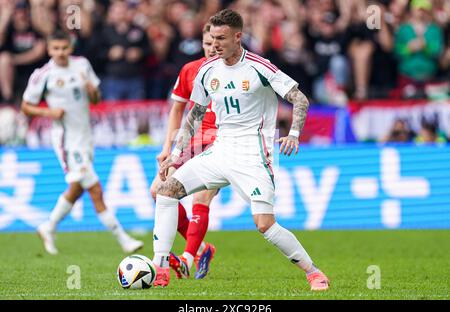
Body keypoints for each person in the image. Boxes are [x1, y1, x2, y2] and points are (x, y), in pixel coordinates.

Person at [151, 9, 330, 291]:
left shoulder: (261, 67)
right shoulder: (208, 71)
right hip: (220, 149)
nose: (215, 45)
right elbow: (194, 115)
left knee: (264, 224)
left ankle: (313, 272)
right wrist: (175, 154)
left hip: (254, 153)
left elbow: (300, 99)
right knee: (165, 192)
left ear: (238, 37)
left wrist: (294, 134)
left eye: (221, 38)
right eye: (211, 38)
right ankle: (160, 269)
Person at [21, 30, 144, 255]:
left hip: (85, 135)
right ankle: (123, 238)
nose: (60, 53)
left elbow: (96, 99)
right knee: (95, 189)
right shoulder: (43, 74)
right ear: (49, 49)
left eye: (64, 48)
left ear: (71, 47)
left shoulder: (82, 65)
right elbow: (26, 106)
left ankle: (48, 226)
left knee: (77, 188)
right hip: (67, 139)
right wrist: (48, 113)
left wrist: (93, 91)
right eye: (55, 49)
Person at [149, 23, 218, 280]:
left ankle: (184, 260)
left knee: (201, 198)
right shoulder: (190, 70)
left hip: (222, 141)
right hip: (192, 140)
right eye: (207, 43)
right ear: (202, 43)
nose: (213, 48)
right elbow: (177, 109)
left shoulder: (235, 71)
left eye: (217, 42)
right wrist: (167, 147)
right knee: (157, 191)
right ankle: (201, 248)